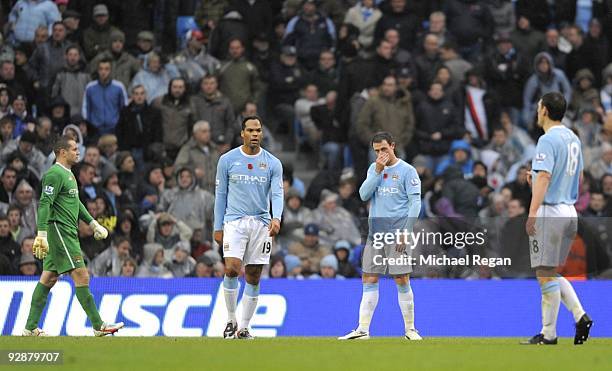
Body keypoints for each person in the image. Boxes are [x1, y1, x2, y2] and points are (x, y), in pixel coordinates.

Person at [22, 136, 123, 336]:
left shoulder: (69, 174)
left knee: (49, 278)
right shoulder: (54, 174)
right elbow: (44, 204)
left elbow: (75, 204)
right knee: (81, 274)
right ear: (62, 152)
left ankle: (30, 328)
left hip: (67, 230)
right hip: (59, 230)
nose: (78, 152)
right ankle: (98, 326)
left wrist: (93, 223)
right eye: (75, 149)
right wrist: (41, 233)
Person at [522, 92, 593, 345]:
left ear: (544, 110)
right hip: (569, 211)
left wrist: (532, 212)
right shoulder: (573, 138)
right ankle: (578, 317)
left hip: (550, 212)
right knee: (549, 272)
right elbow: (580, 176)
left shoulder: (547, 139)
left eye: (539, 106)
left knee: (545, 273)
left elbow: (545, 177)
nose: (537, 110)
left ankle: (550, 333)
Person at [339, 132, 422, 341]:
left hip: (397, 234)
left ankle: (410, 330)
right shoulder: (374, 169)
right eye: (376, 151)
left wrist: (406, 231)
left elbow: (415, 203)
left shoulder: (407, 171)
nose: (380, 154)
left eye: (383, 149)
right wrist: (376, 170)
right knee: (369, 277)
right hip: (375, 234)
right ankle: (363, 330)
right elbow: (363, 195)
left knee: (401, 279)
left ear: (392, 146)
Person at [214, 115, 283, 339]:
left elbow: (277, 193)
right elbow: (220, 195)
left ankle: (244, 327)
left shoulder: (272, 163)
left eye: (258, 131)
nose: (255, 134)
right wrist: (218, 226)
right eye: (250, 131)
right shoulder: (227, 160)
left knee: (253, 275)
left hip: (261, 223)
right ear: (242, 133)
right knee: (232, 268)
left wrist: (277, 217)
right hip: (234, 222)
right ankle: (231, 320)